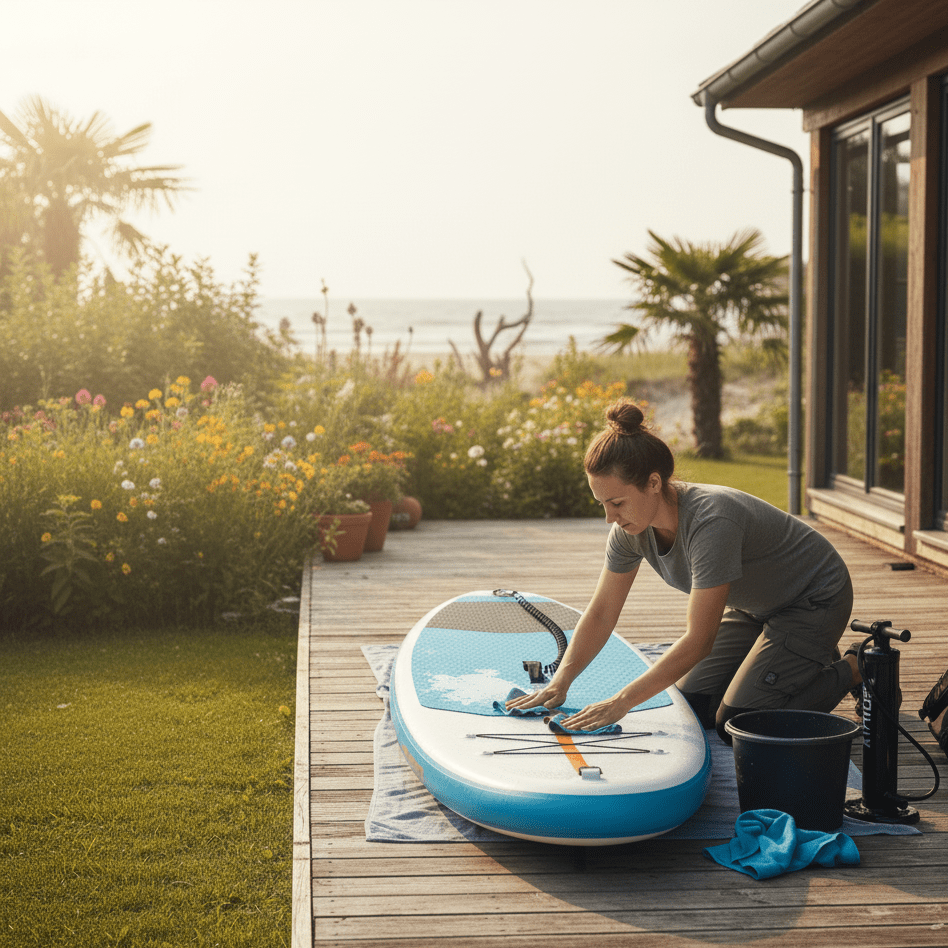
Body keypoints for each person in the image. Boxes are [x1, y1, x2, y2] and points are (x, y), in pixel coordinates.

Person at [506, 399, 861, 742]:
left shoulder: (712, 522)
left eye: (616, 503)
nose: (609, 518)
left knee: (740, 724)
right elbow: (600, 615)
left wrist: (621, 702)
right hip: (757, 607)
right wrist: (560, 682)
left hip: (814, 598)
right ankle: (801, 657)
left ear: (654, 483)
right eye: (601, 504)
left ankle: (855, 667)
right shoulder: (628, 532)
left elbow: (699, 640)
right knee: (692, 707)